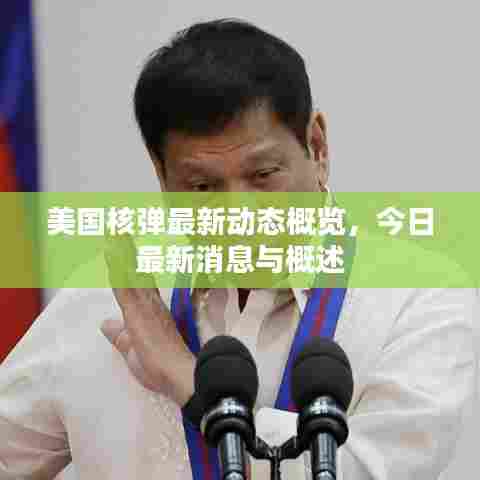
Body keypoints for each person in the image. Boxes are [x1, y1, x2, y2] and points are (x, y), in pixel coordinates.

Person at [0, 19, 476, 480]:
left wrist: (187, 381)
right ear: (162, 177)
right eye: (202, 187)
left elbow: (366, 471)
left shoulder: (420, 295)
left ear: (317, 146)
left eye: (263, 175)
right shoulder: (109, 298)